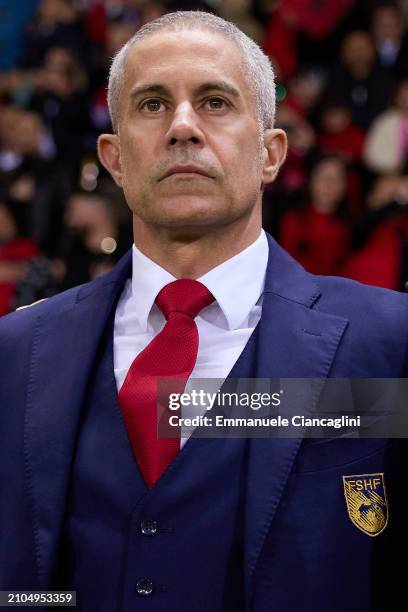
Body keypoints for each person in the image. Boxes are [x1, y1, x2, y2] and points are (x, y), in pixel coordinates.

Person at [0, 11, 407, 612]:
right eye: (152, 105)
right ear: (113, 158)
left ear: (271, 154)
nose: (183, 127)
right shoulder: (17, 351)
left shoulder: (388, 345)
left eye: (215, 102)